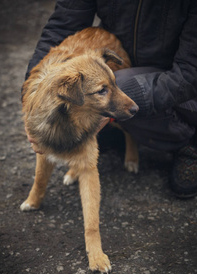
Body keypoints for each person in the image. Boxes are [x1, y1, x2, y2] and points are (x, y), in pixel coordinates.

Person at [24, 0, 197, 199]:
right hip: (116, 64)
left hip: (180, 83)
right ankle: (120, 130)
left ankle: (189, 144)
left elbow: (190, 74)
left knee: (115, 93)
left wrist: (124, 98)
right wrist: (34, 93)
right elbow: (62, 26)